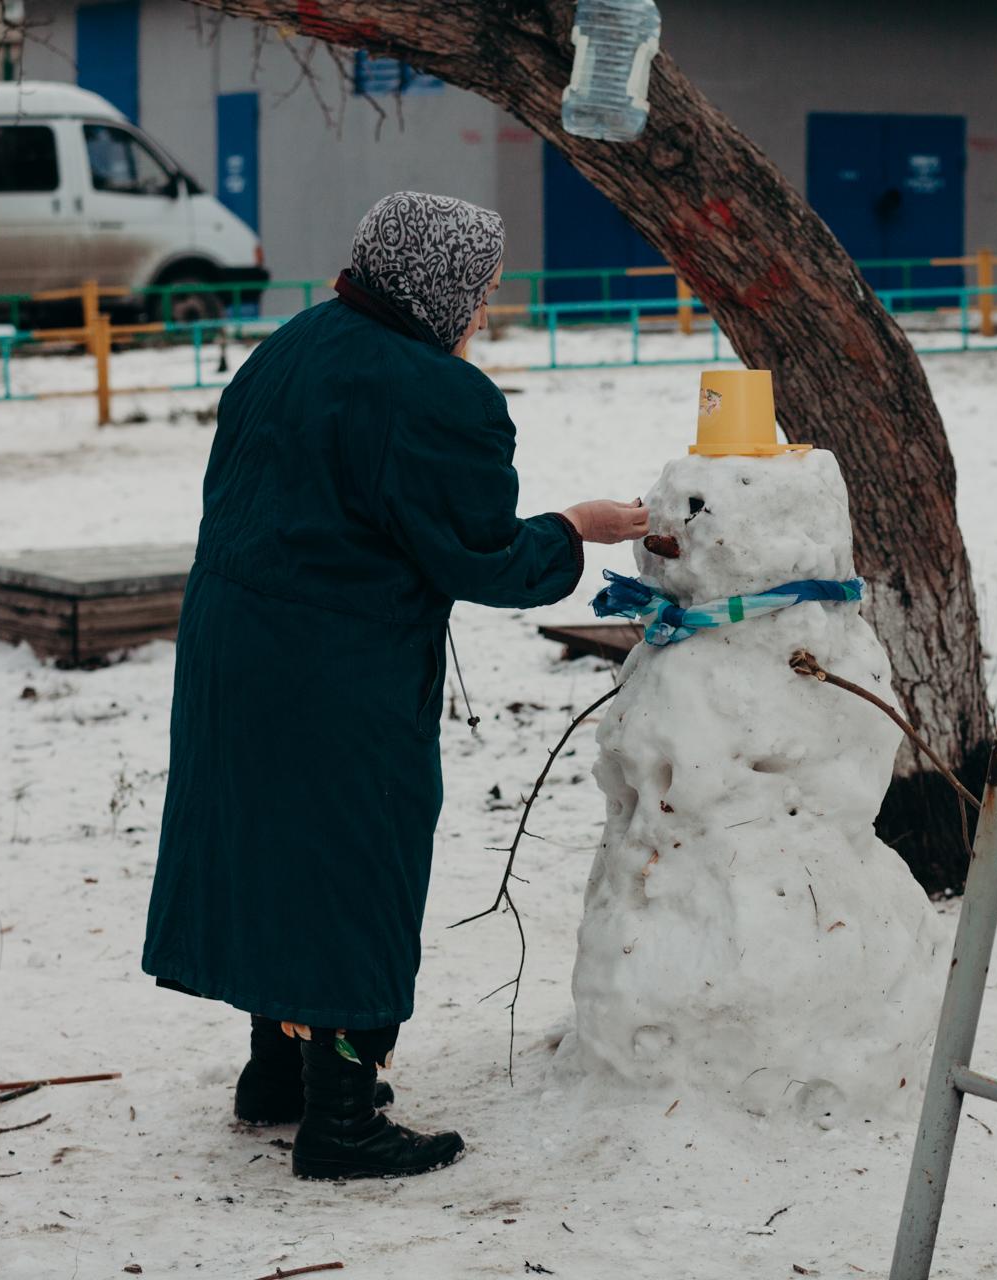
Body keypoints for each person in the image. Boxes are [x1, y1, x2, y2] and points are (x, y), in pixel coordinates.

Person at [141, 192, 647, 1181]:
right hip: (335, 669)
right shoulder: (433, 392)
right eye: (483, 287)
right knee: (352, 860)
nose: (488, 306)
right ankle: (340, 1116)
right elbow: (484, 558)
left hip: (231, 648)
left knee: (271, 848)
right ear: (437, 284)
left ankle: (275, 1071)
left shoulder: (291, 344)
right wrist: (576, 527)